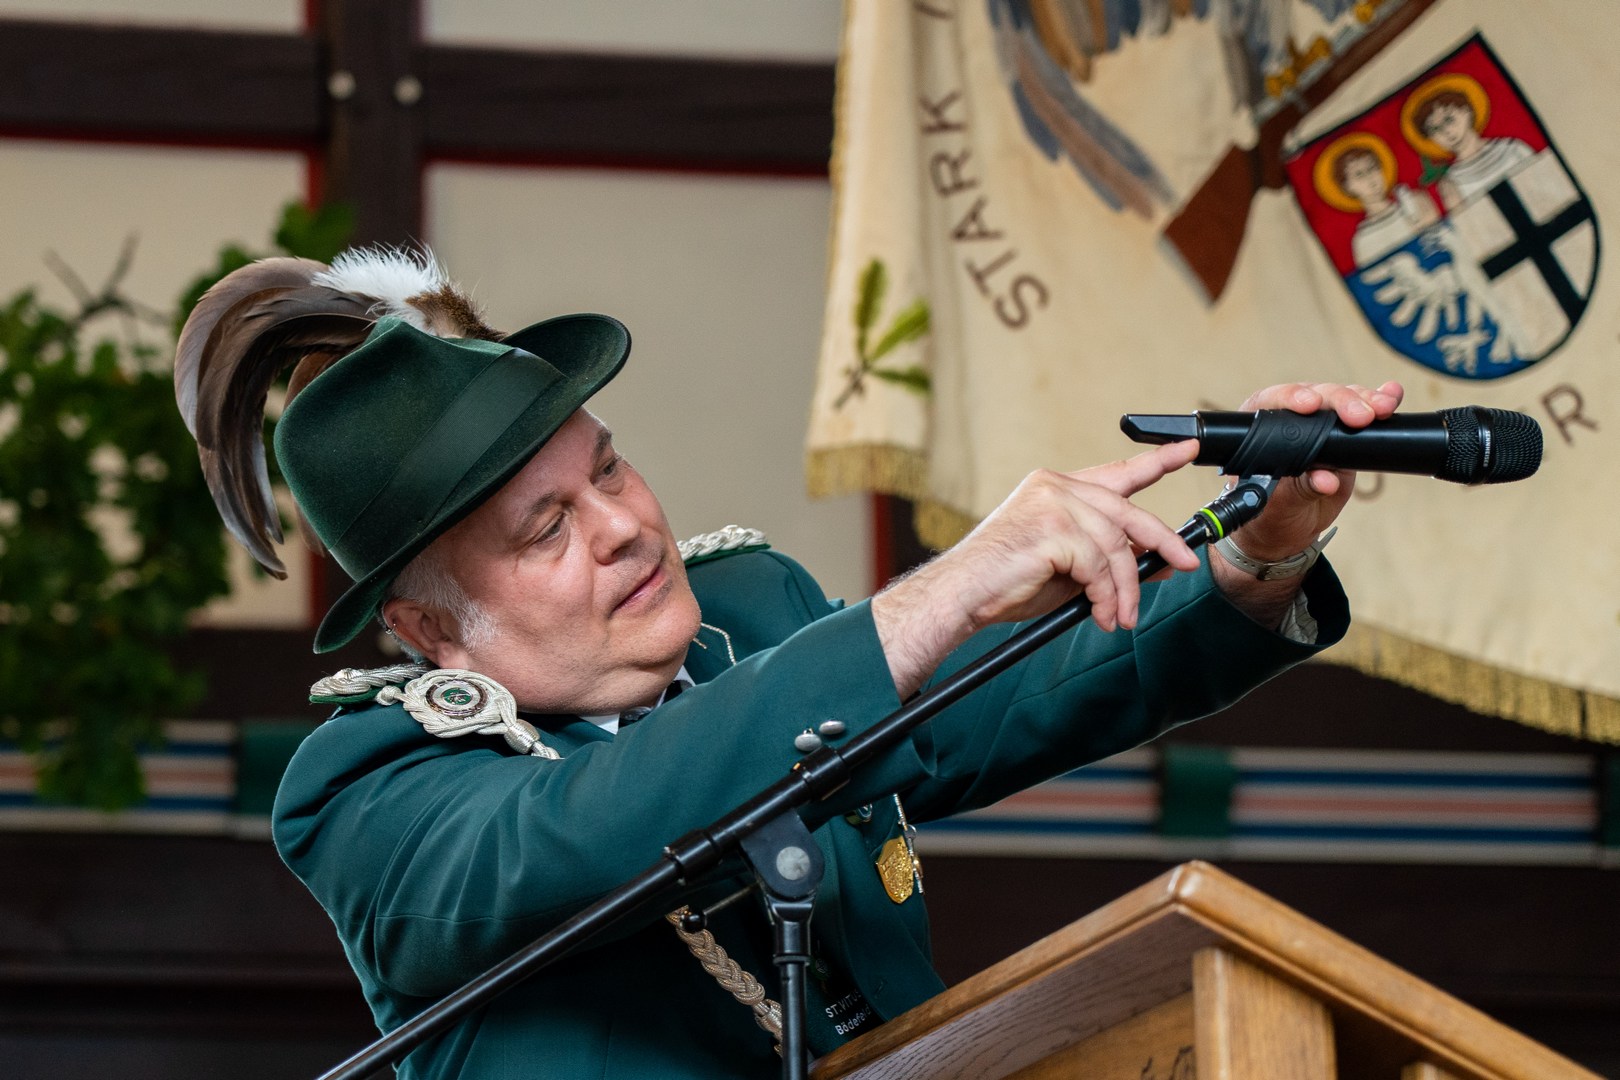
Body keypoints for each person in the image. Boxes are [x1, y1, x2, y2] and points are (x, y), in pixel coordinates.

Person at [176, 249, 1403, 1079]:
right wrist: (938, 589)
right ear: (434, 633)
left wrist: (1257, 553)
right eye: (545, 529)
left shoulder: (751, 617)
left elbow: (1015, 694)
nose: (621, 526)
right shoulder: (369, 790)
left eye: (605, 468)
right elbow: (578, 829)